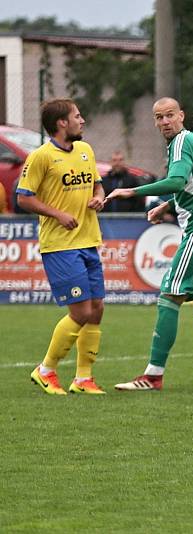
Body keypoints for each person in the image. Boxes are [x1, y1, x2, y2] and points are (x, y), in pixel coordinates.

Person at [107, 97, 193, 392]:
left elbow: (175, 180)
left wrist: (130, 190)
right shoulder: (192, 142)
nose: (164, 121)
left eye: (170, 115)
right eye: (159, 117)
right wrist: (167, 206)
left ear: (182, 116)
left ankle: (153, 376)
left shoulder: (183, 142)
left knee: (169, 297)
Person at [18, 98, 106, 395]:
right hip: (60, 246)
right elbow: (23, 197)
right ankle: (46, 370)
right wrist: (57, 213)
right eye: (77, 116)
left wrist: (98, 196)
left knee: (96, 309)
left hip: (88, 240)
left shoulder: (85, 150)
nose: (82, 121)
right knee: (80, 311)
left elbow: (97, 184)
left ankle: (83, 379)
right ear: (61, 123)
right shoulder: (41, 157)